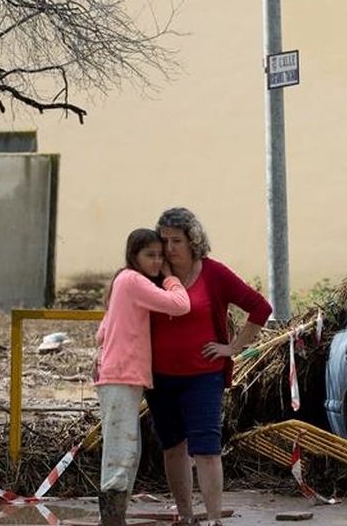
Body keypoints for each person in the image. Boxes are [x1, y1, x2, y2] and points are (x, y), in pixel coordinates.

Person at [145, 208, 272, 526]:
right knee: (173, 447)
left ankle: (214, 519)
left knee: (207, 448)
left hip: (203, 375)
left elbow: (260, 307)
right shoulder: (152, 274)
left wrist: (232, 348)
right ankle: (186, 516)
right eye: (164, 240)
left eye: (177, 240)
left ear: (193, 241)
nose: (170, 248)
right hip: (159, 377)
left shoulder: (214, 274)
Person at [95, 229, 191, 526]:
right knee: (121, 451)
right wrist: (170, 277)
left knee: (127, 449)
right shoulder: (132, 280)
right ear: (133, 256)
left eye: (160, 256)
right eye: (150, 255)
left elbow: (102, 332)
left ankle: (114, 516)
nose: (156, 261)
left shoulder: (120, 282)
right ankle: (112, 519)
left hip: (119, 374)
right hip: (122, 375)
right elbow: (181, 304)